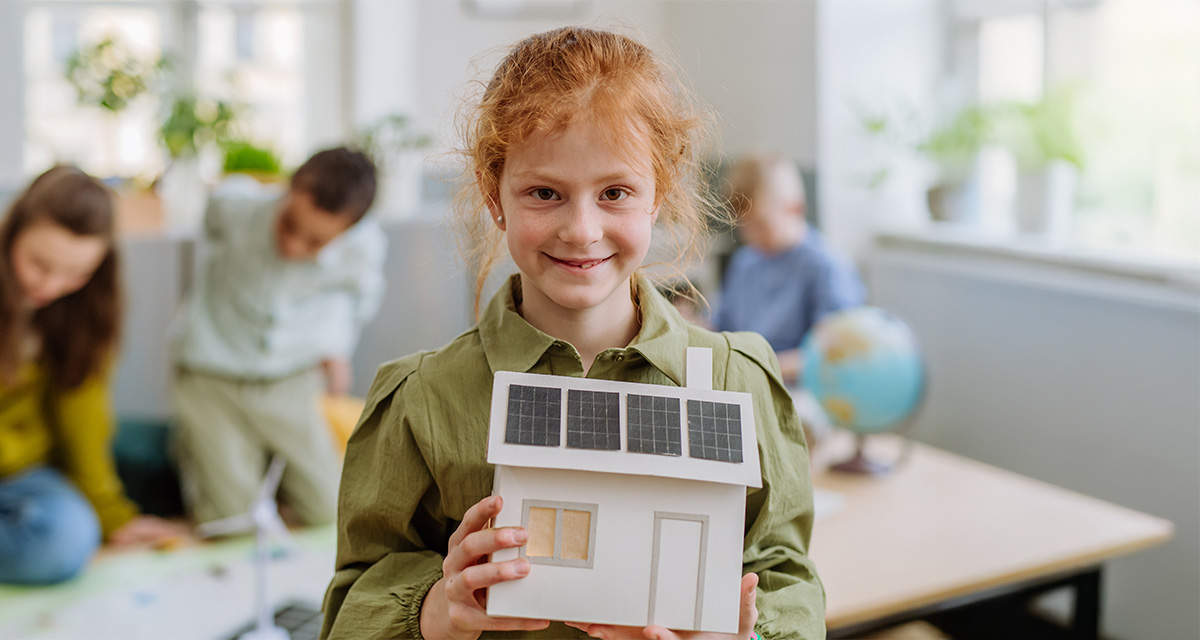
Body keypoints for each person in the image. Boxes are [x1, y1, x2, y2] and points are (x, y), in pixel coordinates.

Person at [321, 28, 825, 640]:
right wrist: (438, 610)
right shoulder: (421, 399)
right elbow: (353, 607)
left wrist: (744, 635)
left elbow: (782, 577)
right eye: (544, 193)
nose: (581, 230)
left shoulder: (735, 381)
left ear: (658, 192)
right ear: (493, 193)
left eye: (615, 192)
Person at [171, 147, 385, 529]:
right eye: (288, 225)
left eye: (315, 242)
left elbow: (356, 300)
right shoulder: (235, 209)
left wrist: (334, 348)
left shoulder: (363, 248)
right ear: (287, 191)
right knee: (230, 520)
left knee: (329, 511)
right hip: (211, 373)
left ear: (348, 232)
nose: (293, 246)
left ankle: (277, 505)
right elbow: (219, 200)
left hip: (291, 378)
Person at [0, 166, 186, 585]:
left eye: (75, 274)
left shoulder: (82, 312)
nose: (51, 285)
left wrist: (111, 516)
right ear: (13, 233)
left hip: (24, 476)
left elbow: (82, 418)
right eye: (39, 264)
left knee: (66, 539)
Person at [712, 154, 865, 387]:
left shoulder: (826, 266)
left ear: (795, 208)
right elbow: (721, 327)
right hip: (746, 380)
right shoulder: (746, 262)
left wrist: (757, 368)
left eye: (761, 224)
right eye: (743, 226)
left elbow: (833, 352)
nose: (750, 236)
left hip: (801, 390)